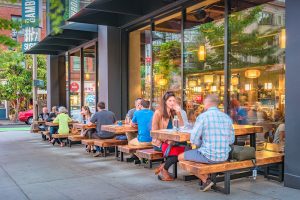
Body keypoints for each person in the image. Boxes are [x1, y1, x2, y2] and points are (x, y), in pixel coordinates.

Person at [178, 94, 235, 192]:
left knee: (180, 157)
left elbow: (193, 139)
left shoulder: (203, 116)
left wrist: (201, 144)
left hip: (209, 156)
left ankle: (206, 180)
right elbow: (231, 140)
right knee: (194, 154)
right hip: (224, 156)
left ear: (207, 103)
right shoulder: (226, 117)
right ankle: (206, 176)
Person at [152, 91, 184, 181]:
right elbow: (154, 132)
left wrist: (178, 112)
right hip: (159, 142)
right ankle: (165, 170)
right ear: (165, 102)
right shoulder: (158, 113)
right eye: (170, 101)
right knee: (176, 152)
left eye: (174, 100)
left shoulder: (174, 113)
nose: (172, 103)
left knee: (185, 150)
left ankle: (163, 166)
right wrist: (166, 140)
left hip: (173, 142)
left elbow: (182, 126)